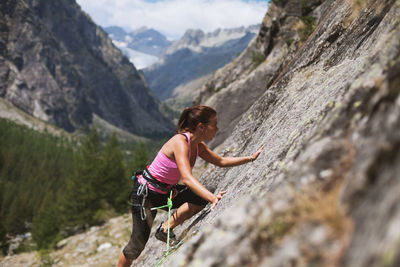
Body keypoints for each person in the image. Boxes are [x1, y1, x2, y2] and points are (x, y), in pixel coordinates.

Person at [117, 105, 264, 267]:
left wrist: (250, 158)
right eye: (214, 124)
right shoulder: (180, 142)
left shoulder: (198, 146)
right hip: (146, 194)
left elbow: (221, 161)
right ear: (201, 127)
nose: (217, 128)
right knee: (136, 246)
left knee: (199, 199)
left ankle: (165, 228)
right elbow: (187, 178)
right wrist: (213, 198)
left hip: (165, 191)